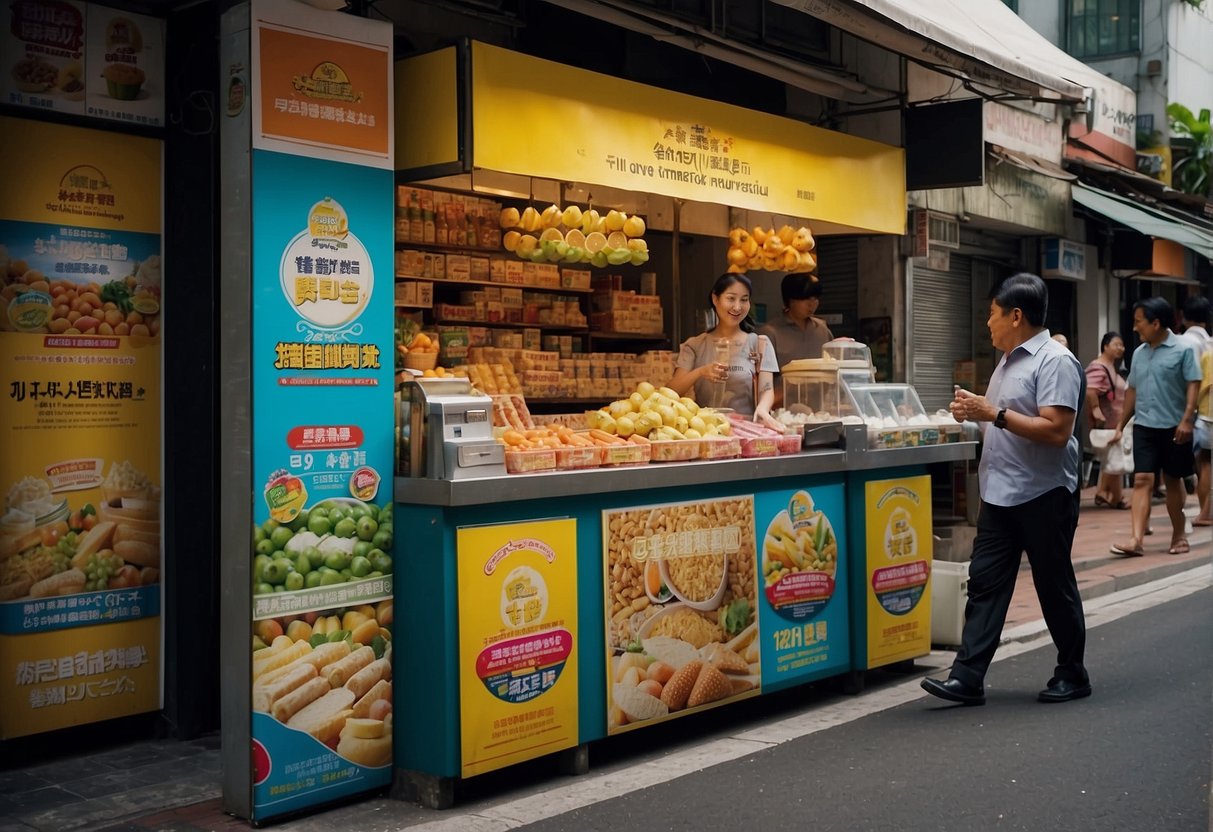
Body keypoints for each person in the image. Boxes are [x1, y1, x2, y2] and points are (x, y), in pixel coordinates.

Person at [921, 273, 1089, 706]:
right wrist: (970, 413)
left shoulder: (1055, 361)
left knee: (1054, 586)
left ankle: (1072, 673)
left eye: (992, 314)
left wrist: (991, 412)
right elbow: (1002, 420)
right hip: (998, 495)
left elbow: (1056, 429)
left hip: (1044, 493)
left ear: (1016, 316)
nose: (987, 323)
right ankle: (967, 677)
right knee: (985, 585)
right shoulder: (1008, 360)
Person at [1108, 297, 1202, 558]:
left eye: (1139, 322)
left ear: (1156, 323)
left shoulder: (1183, 349)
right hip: (1145, 426)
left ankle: (1179, 534)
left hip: (1174, 427)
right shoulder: (1138, 354)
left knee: (1173, 480)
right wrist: (1120, 426)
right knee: (1142, 479)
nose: (1135, 328)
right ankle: (1135, 539)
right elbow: (1132, 392)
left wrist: (1186, 420)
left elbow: (1193, 384)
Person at [668, 273, 780, 427]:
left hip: (747, 432)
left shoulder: (760, 344)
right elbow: (672, 392)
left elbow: (766, 389)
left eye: (744, 300)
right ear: (715, 299)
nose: (737, 307)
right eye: (731, 298)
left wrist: (762, 409)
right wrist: (700, 372)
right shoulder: (695, 345)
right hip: (705, 431)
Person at [1178, 296, 1212, 527]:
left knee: (1201, 462)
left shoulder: (1183, 343)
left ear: (1184, 317)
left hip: (1196, 412)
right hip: (1205, 411)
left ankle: (1204, 512)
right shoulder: (1210, 343)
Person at [1085, 331, 1129, 509]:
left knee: (1113, 459)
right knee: (1113, 459)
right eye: (1116, 344)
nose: (1121, 348)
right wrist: (1096, 410)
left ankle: (1109, 494)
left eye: (1122, 345)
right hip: (1107, 423)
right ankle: (1109, 495)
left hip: (1114, 422)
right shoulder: (1099, 366)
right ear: (1105, 346)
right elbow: (1090, 389)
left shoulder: (1110, 366)